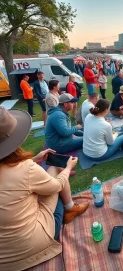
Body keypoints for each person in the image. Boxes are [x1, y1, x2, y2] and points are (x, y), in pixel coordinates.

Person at [0, 107, 89, 270]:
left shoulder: (22, 167)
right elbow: (55, 186)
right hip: (31, 246)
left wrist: (35, 159)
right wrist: (68, 168)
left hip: (3, 258)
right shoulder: (25, 168)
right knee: (55, 171)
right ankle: (70, 208)